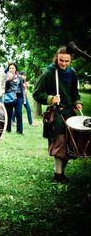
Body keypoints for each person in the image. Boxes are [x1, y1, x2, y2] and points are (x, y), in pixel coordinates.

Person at [33, 46, 83, 183]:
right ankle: (58, 174)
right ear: (57, 58)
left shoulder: (72, 73)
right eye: (61, 60)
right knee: (60, 143)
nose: (64, 64)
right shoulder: (49, 73)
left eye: (67, 61)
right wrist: (50, 99)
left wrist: (77, 102)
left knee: (70, 144)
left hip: (70, 113)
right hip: (56, 113)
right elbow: (37, 93)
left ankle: (61, 173)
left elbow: (75, 93)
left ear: (70, 60)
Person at [4, 63, 25, 134]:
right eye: (10, 68)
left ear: (15, 69)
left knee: (18, 113)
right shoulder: (5, 77)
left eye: (13, 68)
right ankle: (8, 129)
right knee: (8, 114)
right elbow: (4, 88)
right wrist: (8, 80)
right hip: (9, 97)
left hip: (18, 97)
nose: (11, 69)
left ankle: (19, 131)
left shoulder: (19, 77)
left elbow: (22, 88)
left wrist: (23, 99)